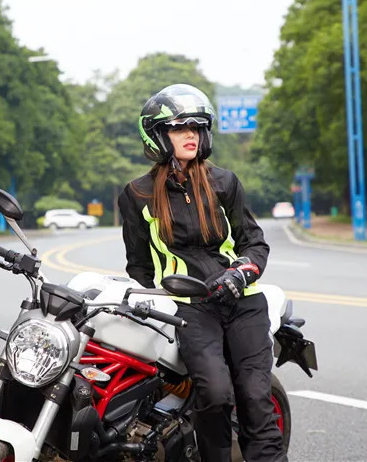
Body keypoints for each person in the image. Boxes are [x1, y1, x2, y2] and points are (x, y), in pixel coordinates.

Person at [118, 84, 287, 462]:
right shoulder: (137, 195)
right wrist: (162, 291)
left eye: (196, 127)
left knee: (256, 401)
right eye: (180, 128)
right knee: (213, 395)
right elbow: (138, 265)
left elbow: (254, 243)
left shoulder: (224, 182)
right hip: (190, 309)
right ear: (158, 135)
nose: (191, 134)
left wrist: (241, 274)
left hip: (242, 302)